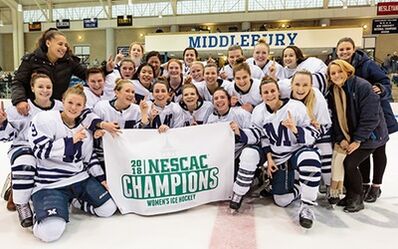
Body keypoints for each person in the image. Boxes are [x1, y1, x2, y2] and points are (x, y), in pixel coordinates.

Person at [28, 84, 117, 242]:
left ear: (84, 107)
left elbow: (90, 160)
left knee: (108, 209)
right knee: (50, 233)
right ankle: (38, 207)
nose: (74, 107)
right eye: (70, 103)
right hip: (50, 184)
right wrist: (71, 141)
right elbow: (40, 152)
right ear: (63, 101)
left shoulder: (86, 130)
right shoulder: (45, 119)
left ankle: (74, 200)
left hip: (79, 179)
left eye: (78, 105)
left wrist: (101, 179)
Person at [234, 76, 321, 229]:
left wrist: (295, 129)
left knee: (310, 157)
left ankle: (307, 205)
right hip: (275, 156)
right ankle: (239, 192)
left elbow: (313, 134)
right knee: (249, 154)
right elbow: (259, 136)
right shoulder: (259, 111)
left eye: (272, 91)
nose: (269, 94)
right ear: (261, 95)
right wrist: (240, 132)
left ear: (278, 92)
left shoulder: (296, 107)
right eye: (265, 92)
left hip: (294, 153)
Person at [336, 37, 398, 202]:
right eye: (341, 49)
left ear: (354, 49)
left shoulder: (367, 64)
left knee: (378, 150)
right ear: (337, 52)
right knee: (363, 152)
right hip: (358, 114)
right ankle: (363, 184)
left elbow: (385, 82)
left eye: (347, 48)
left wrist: (381, 89)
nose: (344, 52)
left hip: (378, 114)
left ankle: (376, 186)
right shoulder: (340, 67)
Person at [0, 73, 63, 227]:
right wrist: (2, 123)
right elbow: (7, 137)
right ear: (32, 88)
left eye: (48, 87)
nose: (45, 90)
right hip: (24, 147)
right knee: (26, 162)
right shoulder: (19, 108)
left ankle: (20, 184)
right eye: (40, 86)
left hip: (50, 149)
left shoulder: (60, 107)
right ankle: (21, 202)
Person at [327, 59, 388, 212]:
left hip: (371, 135)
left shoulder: (362, 86)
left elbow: (371, 117)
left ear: (347, 70)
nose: (336, 75)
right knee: (343, 160)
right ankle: (350, 196)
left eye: (340, 71)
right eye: (333, 73)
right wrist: (341, 138)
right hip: (351, 136)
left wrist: (358, 140)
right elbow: (335, 119)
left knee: (350, 163)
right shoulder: (334, 92)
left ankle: (357, 197)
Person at [11, 28, 112, 116]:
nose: (64, 48)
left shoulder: (69, 62)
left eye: (65, 45)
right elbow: (18, 82)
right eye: (60, 44)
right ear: (48, 43)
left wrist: (106, 69)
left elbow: (88, 74)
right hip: (34, 109)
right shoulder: (32, 60)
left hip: (57, 108)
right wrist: (20, 100)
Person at [289, 70, 334, 203]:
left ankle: (329, 186)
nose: (300, 89)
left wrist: (312, 130)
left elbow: (323, 123)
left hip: (320, 129)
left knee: (325, 152)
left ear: (311, 85)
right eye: (297, 84)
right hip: (298, 131)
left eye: (305, 85)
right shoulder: (285, 91)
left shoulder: (317, 97)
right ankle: (297, 185)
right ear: (291, 84)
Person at [93, 79, 149, 170]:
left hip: (126, 155)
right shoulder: (101, 107)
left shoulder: (137, 110)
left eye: (133, 92)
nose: (131, 94)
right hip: (104, 156)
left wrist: (144, 115)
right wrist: (97, 131)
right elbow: (92, 127)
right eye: (127, 91)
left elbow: (140, 136)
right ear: (117, 92)